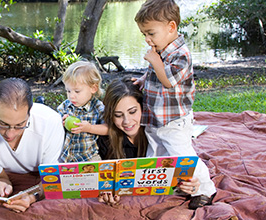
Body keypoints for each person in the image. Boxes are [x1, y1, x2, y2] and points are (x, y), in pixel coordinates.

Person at [132, 0, 216, 209]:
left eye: (151, 33)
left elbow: (168, 79)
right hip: (155, 118)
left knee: (183, 155)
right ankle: (166, 185)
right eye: (144, 34)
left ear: (171, 27)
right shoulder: (161, 49)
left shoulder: (181, 54)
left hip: (173, 120)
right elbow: (155, 73)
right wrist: (144, 79)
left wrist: (154, 61)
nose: (147, 40)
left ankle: (205, 188)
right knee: (156, 156)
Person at [97, 77, 203, 208]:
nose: (127, 121)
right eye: (118, 115)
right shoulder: (104, 139)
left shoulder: (162, 134)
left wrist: (192, 185)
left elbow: (183, 169)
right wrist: (107, 193)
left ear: (143, 107)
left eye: (132, 112)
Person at [0, 77, 65, 212]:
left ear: (30, 111)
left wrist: (32, 197)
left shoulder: (50, 122)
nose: (10, 134)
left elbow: (52, 178)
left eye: (20, 125)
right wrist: (1, 185)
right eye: (2, 124)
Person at [57, 61, 108, 162]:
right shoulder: (65, 106)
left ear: (93, 88)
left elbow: (108, 129)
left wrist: (90, 128)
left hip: (89, 156)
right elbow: (54, 124)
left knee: (98, 174)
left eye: (77, 91)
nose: (71, 96)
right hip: (66, 156)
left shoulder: (98, 107)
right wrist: (61, 122)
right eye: (68, 91)